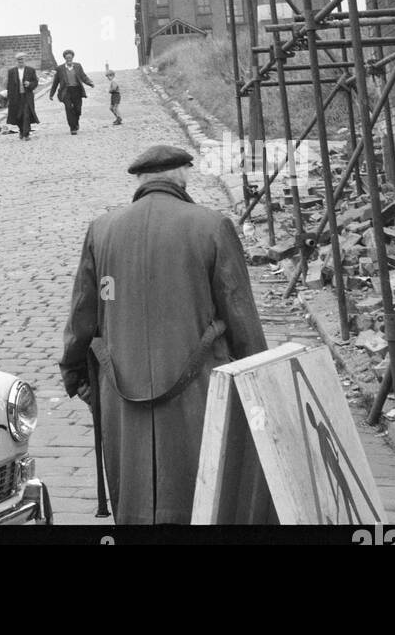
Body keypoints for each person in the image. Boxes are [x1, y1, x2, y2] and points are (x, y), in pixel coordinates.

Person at [60, 144, 267, 524]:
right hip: (200, 385)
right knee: (200, 485)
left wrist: (73, 370)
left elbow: (83, 314)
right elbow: (240, 312)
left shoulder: (102, 230)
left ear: (140, 180)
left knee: (135, 492)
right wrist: (261, 378)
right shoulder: (212, 225)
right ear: (183, 174)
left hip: (122, 388)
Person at [49, 49, 93, 134]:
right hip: (66, 91)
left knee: (78, 110)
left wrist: (90, 82)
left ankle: (76, 123)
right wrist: (51, 94)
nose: (69, 59)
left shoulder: (78, 66)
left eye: (70, 57)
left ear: (72, 57)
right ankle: (72, 128)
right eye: (67, 58)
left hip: (77, 90)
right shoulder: (60, 68)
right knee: (69, 108)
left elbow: (83, 76)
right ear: (65, 58)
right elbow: (55, 82)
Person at [5, 52, 38, 141]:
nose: (20, 61)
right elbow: (9, 85)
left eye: (22, 59)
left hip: (27, 96)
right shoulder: (11, 71)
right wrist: (9, 98)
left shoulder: (31, 70)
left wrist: (30, 84)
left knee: (26, 114)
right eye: (19, 59)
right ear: (16, 61)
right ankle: (21, 130)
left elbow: (35, 82)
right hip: (16, 97)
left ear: (25, 60)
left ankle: (26, 134)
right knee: (18, 115)